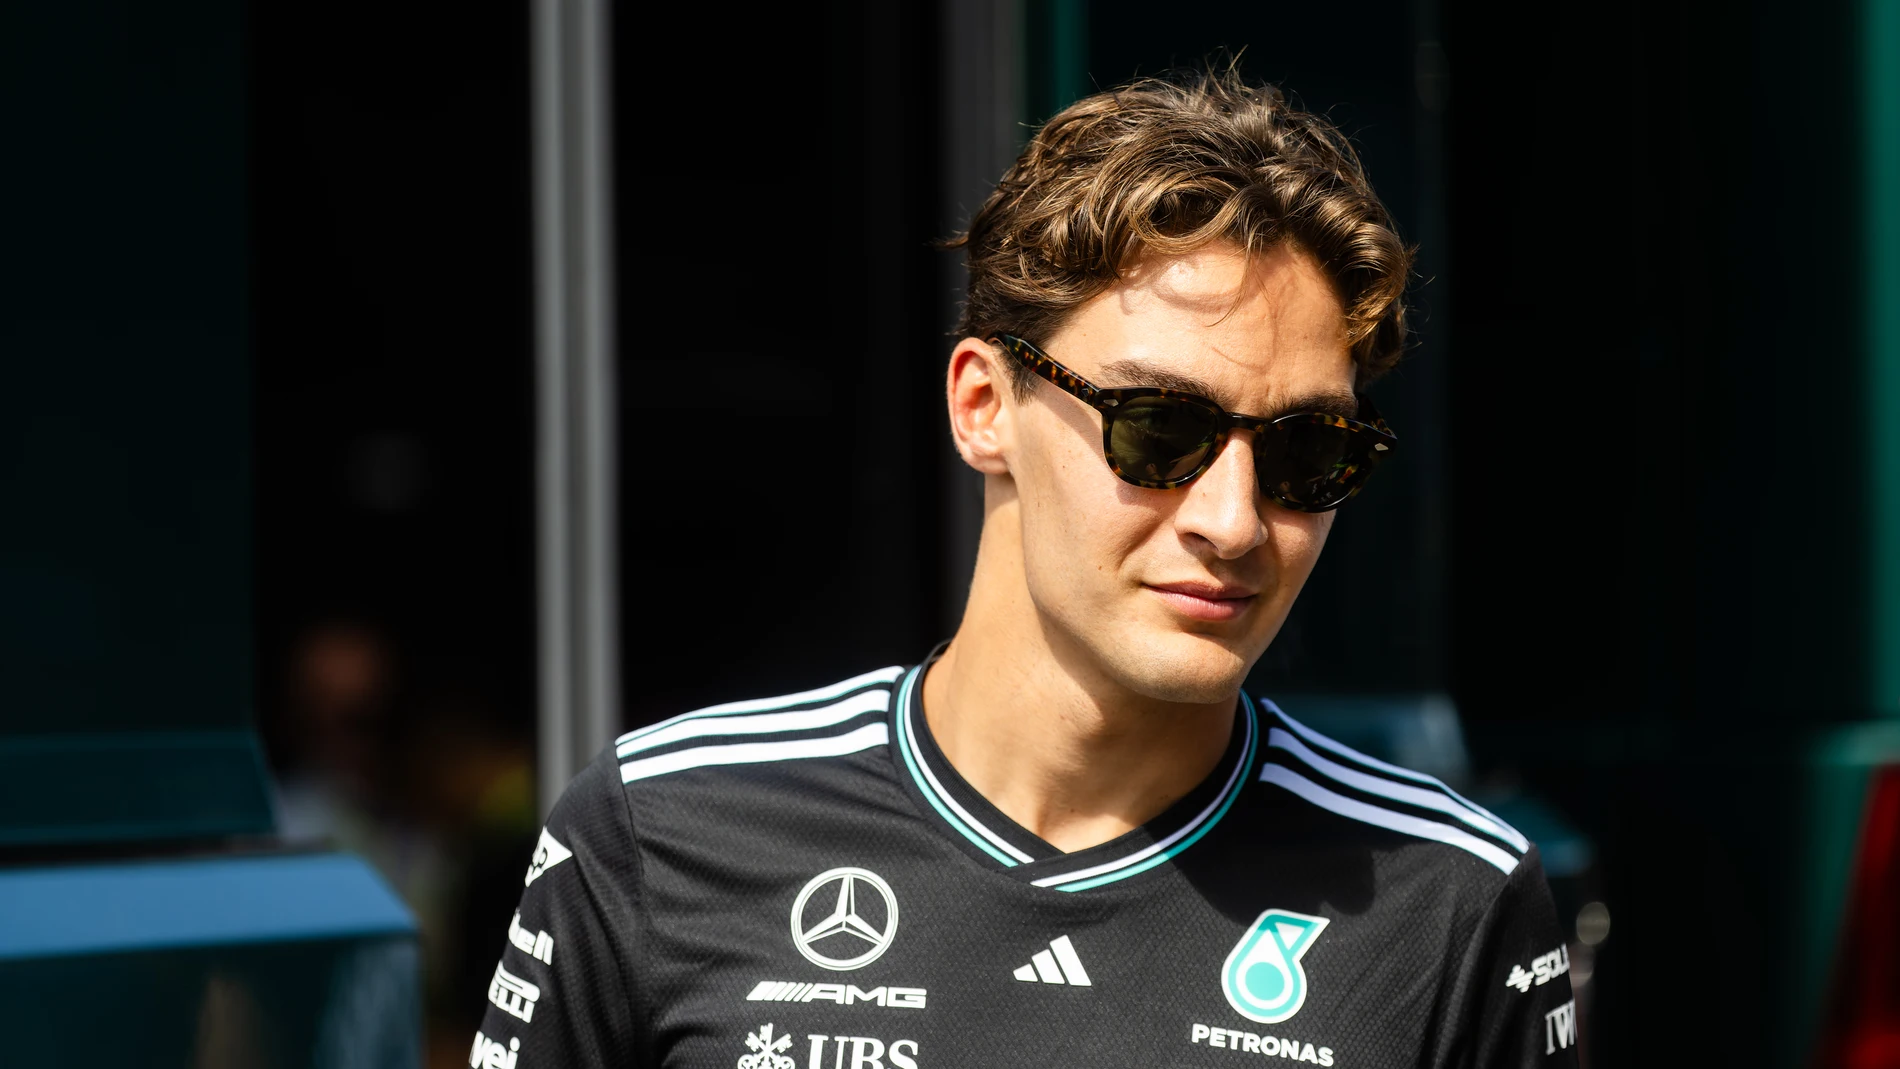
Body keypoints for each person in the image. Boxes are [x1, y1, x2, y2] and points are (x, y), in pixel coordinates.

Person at [473, 67, 1578, 1068]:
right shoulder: (665, 825)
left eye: (1307, 453)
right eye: (1159, 428)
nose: (1234, 520)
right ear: (982, 405)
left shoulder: (1449, 899)